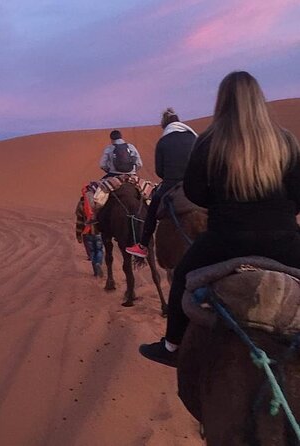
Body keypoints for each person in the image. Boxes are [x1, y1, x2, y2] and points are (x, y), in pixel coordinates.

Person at [139, 71, 300, 367]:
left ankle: (172, 346)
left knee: (182, 279)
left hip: (226, 240)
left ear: (222, 101)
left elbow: (195, 193)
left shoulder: (210, 142)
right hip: (286, 241)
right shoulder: (286, 142)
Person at [126, 109, 197, 258]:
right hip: (195, 183)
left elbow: (159, 171)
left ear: (165, 125)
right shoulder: (193, 137)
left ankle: (143, 245)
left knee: (152, 209)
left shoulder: (163, 141)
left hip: (171, 184)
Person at [76, 184, 104, 277]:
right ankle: (99, 264)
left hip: (87, 233)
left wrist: (78, 235)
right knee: (99, 250)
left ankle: (95, 268)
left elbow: (79, 222)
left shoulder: (81, 204)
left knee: (92, 251)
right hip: (98, 232)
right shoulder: (99, 202)